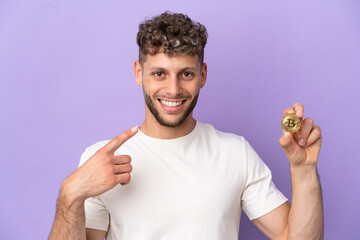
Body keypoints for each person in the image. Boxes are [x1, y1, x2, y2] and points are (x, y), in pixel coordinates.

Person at [49, 12, 323, 240]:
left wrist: (304, 170)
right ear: (138, 73)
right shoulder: (102, 161)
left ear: (202, 75)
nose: (173, 89)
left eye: (186, 74)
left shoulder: (234, 152)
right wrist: (70, 194)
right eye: (159, 73)